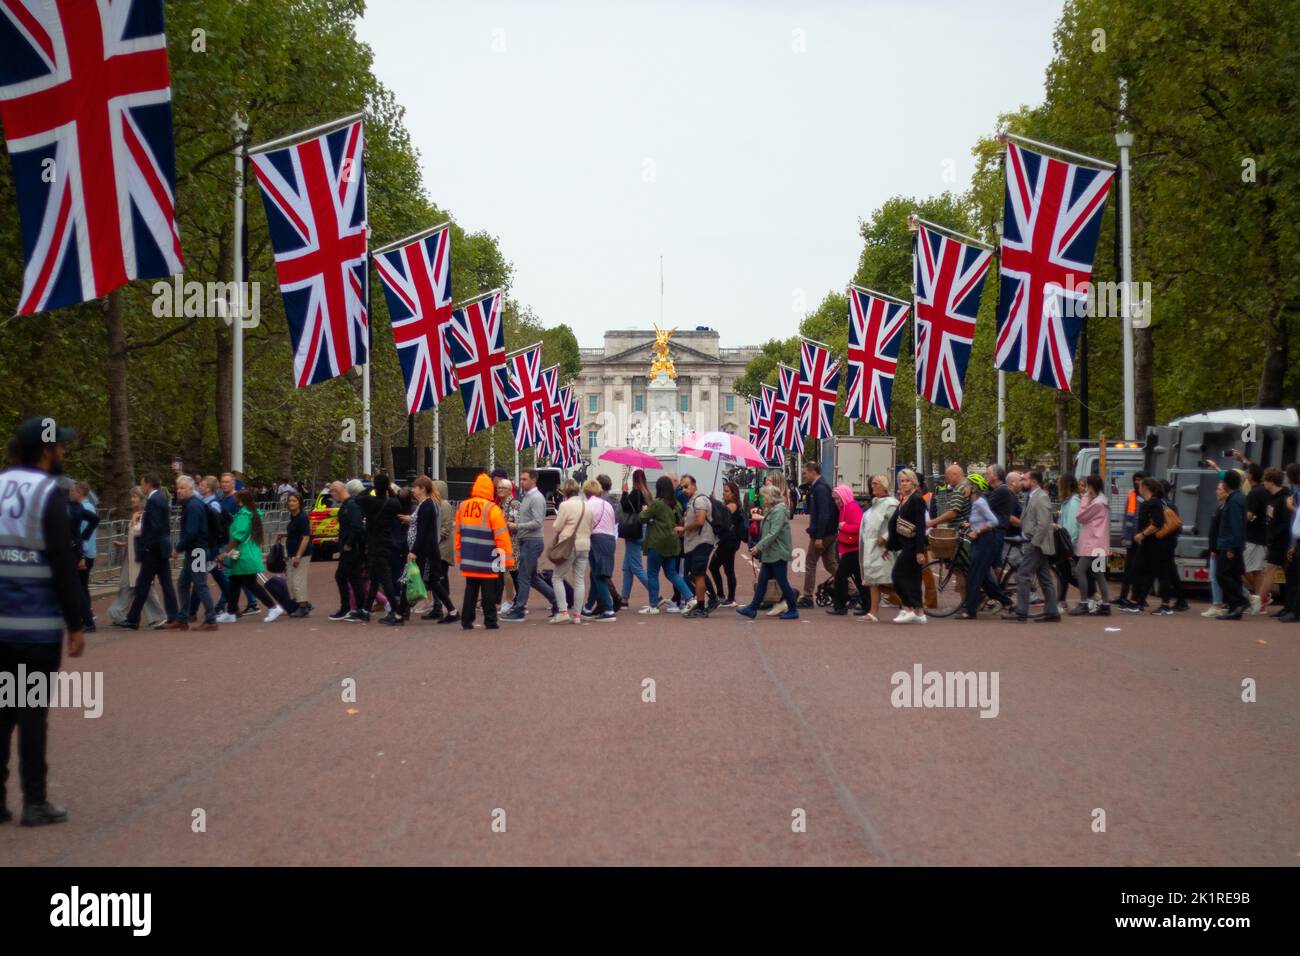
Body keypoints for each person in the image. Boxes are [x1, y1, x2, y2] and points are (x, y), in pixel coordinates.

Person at [0, 416, 85, 826]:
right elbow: (62, 563)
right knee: (32, 713)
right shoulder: (48, 493)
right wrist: (76, 623)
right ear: (45, 450)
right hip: (34, 627)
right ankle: (35, 801)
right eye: (60, 447)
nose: (63, 453)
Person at [117, 473, 180, 631]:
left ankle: (133, 620)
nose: (143, 487)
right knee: (165, 584)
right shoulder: (161, 498)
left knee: (143, 584)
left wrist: (145, 545)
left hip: (153, 550)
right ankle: (173, 616)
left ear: (148, 484)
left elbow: (155, 527)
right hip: (161, 548)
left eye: (143, 484)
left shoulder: (153, 500)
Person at [216, 490, 287, 624]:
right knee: (234, 582)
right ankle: (231, 611)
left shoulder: (244, 515)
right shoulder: (252, 513)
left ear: (241, 501)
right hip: (247, 553)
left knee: (251, 584)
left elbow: (237, 536)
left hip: (244, 555)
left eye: (236, 499)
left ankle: (273, 607)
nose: (234, 501)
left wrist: (224, 552)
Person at [455, 472, 513, 630]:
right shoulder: (492, 509)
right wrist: (506, 560)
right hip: (489, 557)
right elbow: (502, 537)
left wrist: (460, 556)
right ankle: (490, 620)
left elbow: (458, 534)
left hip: (469, 557)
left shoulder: (463, 506)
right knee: (489, 591)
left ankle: (466, 620)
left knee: (470, 590)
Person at [501, 469, 558, 622]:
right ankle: (557, 601)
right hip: (527, 541)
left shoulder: (536, 498)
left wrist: (517, 526)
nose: (522, 482)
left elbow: (538, 522)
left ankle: (519, 609)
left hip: (532, 541)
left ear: (533, 480)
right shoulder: (527, 497)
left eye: (525, 479)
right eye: (521, 479)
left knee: (523, 577)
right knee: (532, 578)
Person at [1002, 470, 1059, 623]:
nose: (1021, 482)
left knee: (1022, 574)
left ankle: (1021, 611)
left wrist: (1034, 542)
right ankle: (1052, 611)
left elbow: (1044, 523)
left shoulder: (1041, 498)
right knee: (1044, 578)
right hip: (1035, 543)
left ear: (1033, 481)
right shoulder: (1033, 496)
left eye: (1024, 479)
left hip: (1036, 544)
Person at [735, 484, 799, 620]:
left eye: (764, 496)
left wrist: (759, 547)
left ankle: (793, 608)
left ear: (771, 497)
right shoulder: (773, 510)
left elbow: (773, 532)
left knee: (782, 581)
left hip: (778, 551)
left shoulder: (779, 511)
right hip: (772, 552)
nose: (763, 499)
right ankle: (753, 608)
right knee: (763, 580)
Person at [958, 474, 1013, 619]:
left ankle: (970, 611)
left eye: (967, 485)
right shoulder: (975, 503)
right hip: (980, 541)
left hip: (985, 542)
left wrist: (977, 531)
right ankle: (1007, 602)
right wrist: (969, 524)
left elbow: (994, 521)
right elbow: (981, 519)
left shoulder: (980, 502)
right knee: (984, 579)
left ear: (973, 488)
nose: (964, 488)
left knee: (974, 576)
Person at [1125, 477, 1178, 615]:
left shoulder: (1152, 503)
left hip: (1154, 544)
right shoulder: (1154, 502)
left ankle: (1141, 603)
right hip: (1155, 544)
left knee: (1150, 572)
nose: (1139, 488)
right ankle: (1137, 602)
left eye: (1141, 485)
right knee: (1152, 573)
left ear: (1146, 487)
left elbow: (1157, 523)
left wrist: (1142, 534)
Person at [638, 475, 690, 614]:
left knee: (653, 574)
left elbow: (642, 517)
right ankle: (690, 597)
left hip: (657, 543)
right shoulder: (676, 504)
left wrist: (645, 511)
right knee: (672, 573)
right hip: (672, 543)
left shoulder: (657, 503)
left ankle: (653, 605)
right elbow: (680, 521)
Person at [355, 474, 402, 626]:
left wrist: (370, 488)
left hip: (374, 544)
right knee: (375, 578)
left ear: (376, 485)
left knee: (385, 578)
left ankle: (396, 611)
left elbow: (358, 498)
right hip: (387, 542)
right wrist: (389, 489)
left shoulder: (369, 501)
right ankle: (366, 610)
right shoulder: (392, 503)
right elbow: (399, 502)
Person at [409, 476, 457, 623]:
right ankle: (439, 608)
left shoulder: (443, 505)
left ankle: (441, 608)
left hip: (441, 548)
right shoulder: (433, 504)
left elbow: (445, 528)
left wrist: (433, 541)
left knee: (437, 579)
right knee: (433, 580)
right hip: (435, 547)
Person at [173, 475, 217, 632]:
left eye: (183, 488)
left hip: (197, 551)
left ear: (191, 489)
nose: (179, 491)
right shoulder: (193, 504)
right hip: (195, 551)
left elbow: (191, 532)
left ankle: (211, 619)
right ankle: (182, 618)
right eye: (178, 488)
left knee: (200, 585)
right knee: (183, 583)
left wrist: (177, 548)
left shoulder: (193, 506)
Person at [888, 469, 930, 624]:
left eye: (907, 481)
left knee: (897, 576)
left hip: (913, 545)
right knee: (913, 578)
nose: (904, 483)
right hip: (905, 544)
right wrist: (889, 546)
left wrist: (920, 551)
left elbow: (920, 526)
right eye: (902, 481)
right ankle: (919, 612)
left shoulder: (916, 499)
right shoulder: (904, 499)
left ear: (914, 483)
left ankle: (908, 607)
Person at [549, 479, 592, 624]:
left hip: (569, 545)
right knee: (579, 579)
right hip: (584, 545)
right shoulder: (587, 505)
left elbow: (557, 526)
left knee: (557, 577)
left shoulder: (565, 505)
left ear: (565, 491)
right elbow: (591, 526)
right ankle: (578, 615)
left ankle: (563, 611)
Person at [858, 474, 898, 622]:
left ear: (884, 486)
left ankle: (910, 603)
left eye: (876, 484)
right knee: (874, 581)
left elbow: (896, 522)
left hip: (882, 549)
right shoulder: (875, 504)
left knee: (886, 580)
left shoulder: (891, 504)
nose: (872, 486)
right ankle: (873, 612)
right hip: (870, 546)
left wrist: (886, 537)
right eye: (872, 484)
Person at [1070, 474, 1112, 615]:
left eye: (1087, 486)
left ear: (1092, 486)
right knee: (1099, 574)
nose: (1086, 490)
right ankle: (1105, 605)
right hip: (1099, 545)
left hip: (1092, 545)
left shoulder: (1096, 503)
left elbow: (1080, 517)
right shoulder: (1103, 501)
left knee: (1079, 570)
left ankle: (1083, 603)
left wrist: (1085, 499)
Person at [799, 462, 838, 607]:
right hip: (830, 531)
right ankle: (853, 590)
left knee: (810, 563)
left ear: (812, 472)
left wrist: (819, 536)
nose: (804, 476)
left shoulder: (820, 488)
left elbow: (823, 514)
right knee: (830, 564)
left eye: (804, 473)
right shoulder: (821, 486)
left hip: (823, 533)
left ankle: (807, 597)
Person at [1213, 471, 1250, 620]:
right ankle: (1235, 607)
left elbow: (1236, 525)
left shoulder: (1234, 500)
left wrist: (1231, 548)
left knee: (1222, 574)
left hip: (1230, 543)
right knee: (1233, 576)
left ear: (1226, 484)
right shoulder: (1239, 497)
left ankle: (1240, 601)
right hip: (1233, 543)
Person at [678, 474, 715, 619]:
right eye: (682, 487)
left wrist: (684, 529)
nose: (684, 489)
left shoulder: (699, 500)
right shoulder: (692, 501)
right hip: (696, 542)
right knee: (695, 573)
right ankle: (712, 598)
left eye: (686, 486)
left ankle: (701, 607)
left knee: (698, 574)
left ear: (694, 485)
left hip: (701, 541)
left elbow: (700, 521)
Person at [581, 479, 617, 621]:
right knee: (597, 574)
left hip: (597, 539)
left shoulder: (588, 505)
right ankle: (588, 607)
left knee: (598, 575)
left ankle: (608, 609)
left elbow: (586, 525)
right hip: (609, 539)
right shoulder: (607, 504)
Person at [328, 480, 365, 621]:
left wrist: (349, 543)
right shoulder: (347, 505)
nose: (331, 495)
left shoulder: (351, 505)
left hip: (351, 549)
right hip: (347, 548)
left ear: (337, 490)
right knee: (350, 578)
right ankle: (354, 608)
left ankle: (351, 608)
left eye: (332, 491)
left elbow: (357, 526)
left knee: (348, 577)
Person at [826, 485, 864, 615]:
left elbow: (859, 527)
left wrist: (844, 527)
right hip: (850, 548)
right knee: (858, 578)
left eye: (838, 499)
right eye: (835, 499)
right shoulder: (845, 507)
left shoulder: (851, 507)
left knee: (841, 577)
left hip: (852, 548)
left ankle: (840, 606)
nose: (837, 501)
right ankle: (865, 603)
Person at [67, 481, 99, 633]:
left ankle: (86, 618)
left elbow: (81, 534)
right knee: (82, 586)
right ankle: (86, 616)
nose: (70, 493)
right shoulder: (86, 507)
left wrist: (82, 554)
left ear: (79, 492)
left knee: (79, 587)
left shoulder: (83, 508)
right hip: (85, 552)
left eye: (72, 491)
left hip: (82, 553)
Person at [619, 469, 653, 608]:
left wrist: (624, 492)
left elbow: (625, 507)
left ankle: (655, 592)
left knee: (636, 568)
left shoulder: (635, 493)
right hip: (643, 531)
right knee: (627, 567)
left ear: (634, 480)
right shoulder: (648, 494)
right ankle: (624, 598)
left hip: (633, 532)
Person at [708, 481, 745, 608]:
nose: (724, 493)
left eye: (726, 491)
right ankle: (724, 595)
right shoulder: (728, 505)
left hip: (729, 541)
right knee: (716, 567)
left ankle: (729, 598)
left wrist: (713, 501)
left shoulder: (732, 505)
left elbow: (721, 515)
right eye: (723, 490)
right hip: (727, 541)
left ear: (734, 494)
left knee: (725, 569)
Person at [1115, 471, 1148, 610]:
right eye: (1135, 479)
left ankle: (1138, 598)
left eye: (1139, 480)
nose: (1136, 482)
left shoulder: (1148, 497)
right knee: (1128, 569)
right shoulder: (1131, 495)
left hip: (1142, 538)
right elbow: (1127, 517)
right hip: (1131, 538)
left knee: (1139, 570)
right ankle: (1123, 596)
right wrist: (1124, 535)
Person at [280, 491, 312, 606]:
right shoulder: (293, 517)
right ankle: (301, 603)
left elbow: (305, 537)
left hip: (301, 554)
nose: (291, 503)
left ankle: (302, 605)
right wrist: (284, 535)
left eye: (294, 501)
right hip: (291, 553)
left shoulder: (302, 518)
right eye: (289, 501)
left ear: (299, 503)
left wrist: (298, 556)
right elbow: (295, 533)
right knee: (291, 582)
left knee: (298, 581)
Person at [495, 478, 521, 614]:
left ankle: (514, 601)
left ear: (509, 490)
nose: (499, 490)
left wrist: (500, 525)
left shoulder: (514, 503)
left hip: (512, 542)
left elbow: (516, 523)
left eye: (502, 488)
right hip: (502, 542)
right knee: (508, 571)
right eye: (498, 488)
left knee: (512, 571)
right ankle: (516, 600)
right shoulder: (501, 504)